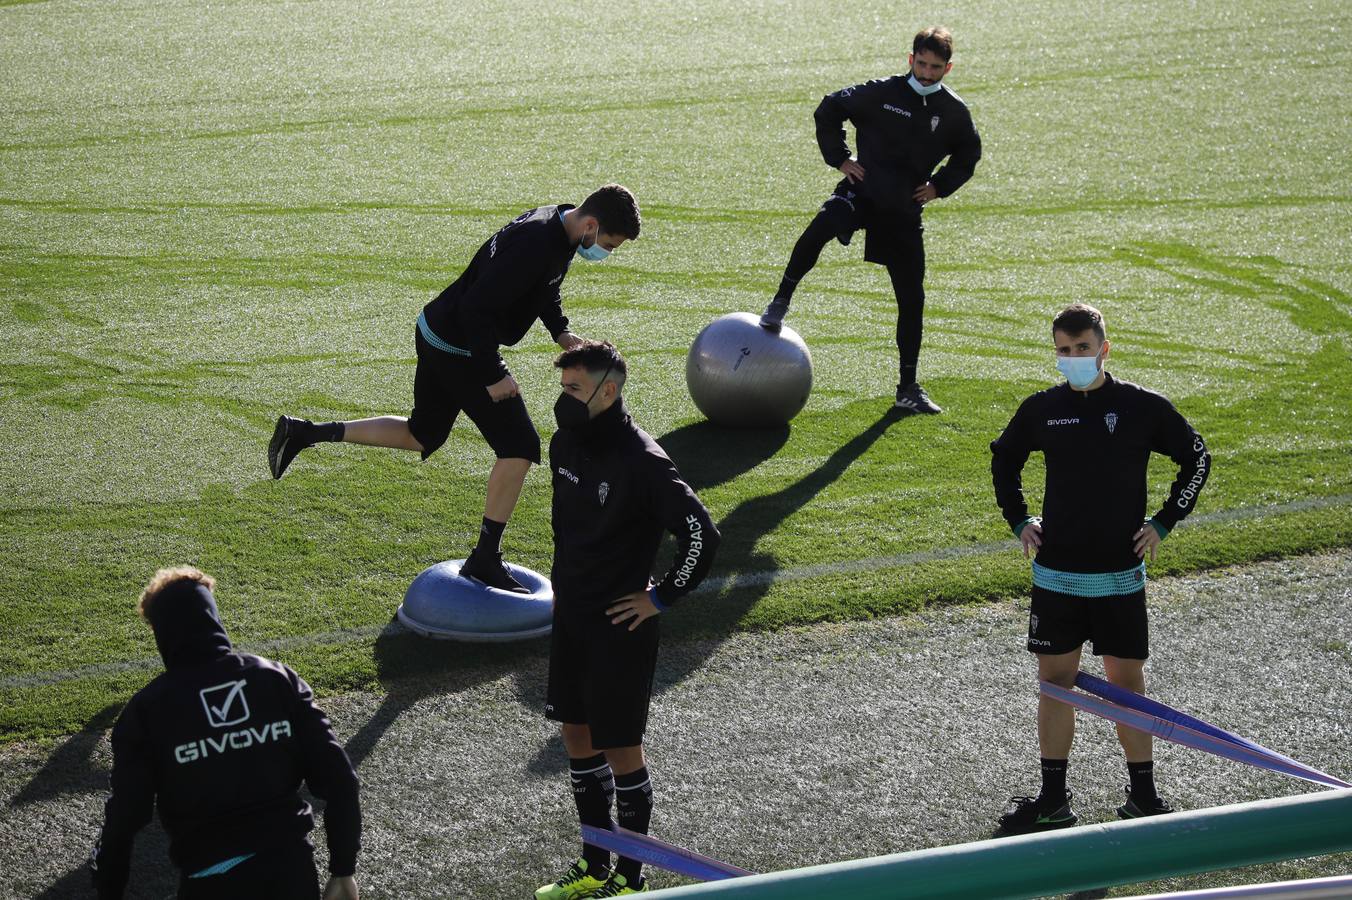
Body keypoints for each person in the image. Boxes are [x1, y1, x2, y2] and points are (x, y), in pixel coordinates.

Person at [268, 184, 642, 592]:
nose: (604, 251)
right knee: (519, 447)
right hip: (455, 344)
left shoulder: (560, 224)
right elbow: (475, 310)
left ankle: (306, 432)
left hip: (436, 328)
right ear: (591, 224)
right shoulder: (535, 244)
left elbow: (544, 287)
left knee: (422, 433)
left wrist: (562, 333)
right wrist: (493, 373)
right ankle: (485, 559)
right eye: (607, 243)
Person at [990, 303, 1211, 834]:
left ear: (1103, 349)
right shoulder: (1042, 408)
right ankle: (1052, 799)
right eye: (1063, 352)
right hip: (1057, 577)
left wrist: (1163, 521)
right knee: (1055, 685)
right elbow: (1004, 457)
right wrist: (1019, 519)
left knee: (1126, 687)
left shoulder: (1142, 407)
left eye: (1082, 349)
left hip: (1117, 577)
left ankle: (1144, 797)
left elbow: (1197, 457)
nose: (1073, 360)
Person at [535, 341, 721, 898]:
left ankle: (630, 881)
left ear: (607, 390)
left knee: (620, 750)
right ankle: (595, 866)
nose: (562, 400)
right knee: (575, 734)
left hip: (621, 628)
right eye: (561, 388)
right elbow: (567, 530)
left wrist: (658, 599)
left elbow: (700, 536)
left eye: (572, 389)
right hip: (572, 618)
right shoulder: (564, 442)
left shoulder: (643, 462)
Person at [90, 567, 362, 899]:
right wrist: (343, 869)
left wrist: (108, 889)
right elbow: (342, 781)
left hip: (210, 882)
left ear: (160, 631)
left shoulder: (146, 711)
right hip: (291, 874)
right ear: (212, 615)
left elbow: (124, 820)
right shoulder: (278, 679)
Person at [759, 26, 981, 415]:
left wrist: (938, 187)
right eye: (922, 64)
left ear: (949, 68)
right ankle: (780, 301)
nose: (928, 73)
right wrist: (841, 158)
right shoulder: (881, 93)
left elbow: (967, 157)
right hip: (862, 193)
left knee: (912, 299)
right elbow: (829, 108)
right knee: (819, 229)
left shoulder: (954, 113)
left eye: (936, 67)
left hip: (903, 212)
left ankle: (907, 388)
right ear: (910, 60)